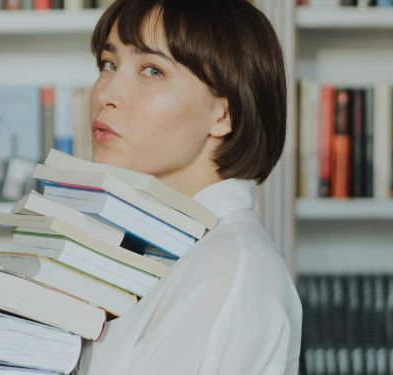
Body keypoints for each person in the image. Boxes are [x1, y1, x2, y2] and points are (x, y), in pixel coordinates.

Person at [76, 0, 302, 374]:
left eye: (152, 70)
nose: (106, 93)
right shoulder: (153, 249)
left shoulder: (231, 269)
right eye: (109, 64)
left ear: (224, 114)